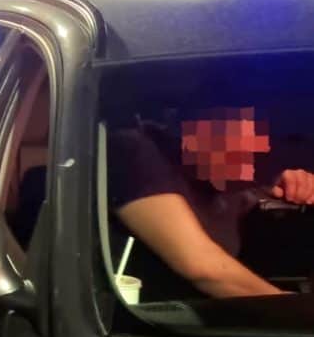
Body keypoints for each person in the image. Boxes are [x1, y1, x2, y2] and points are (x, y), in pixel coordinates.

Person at [109, 106, 314, 300]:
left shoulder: (229, 181)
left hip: (209, 316)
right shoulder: (135, 152)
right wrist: (293, 309)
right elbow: (205, 268)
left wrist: (283, 181)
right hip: (141, 319)